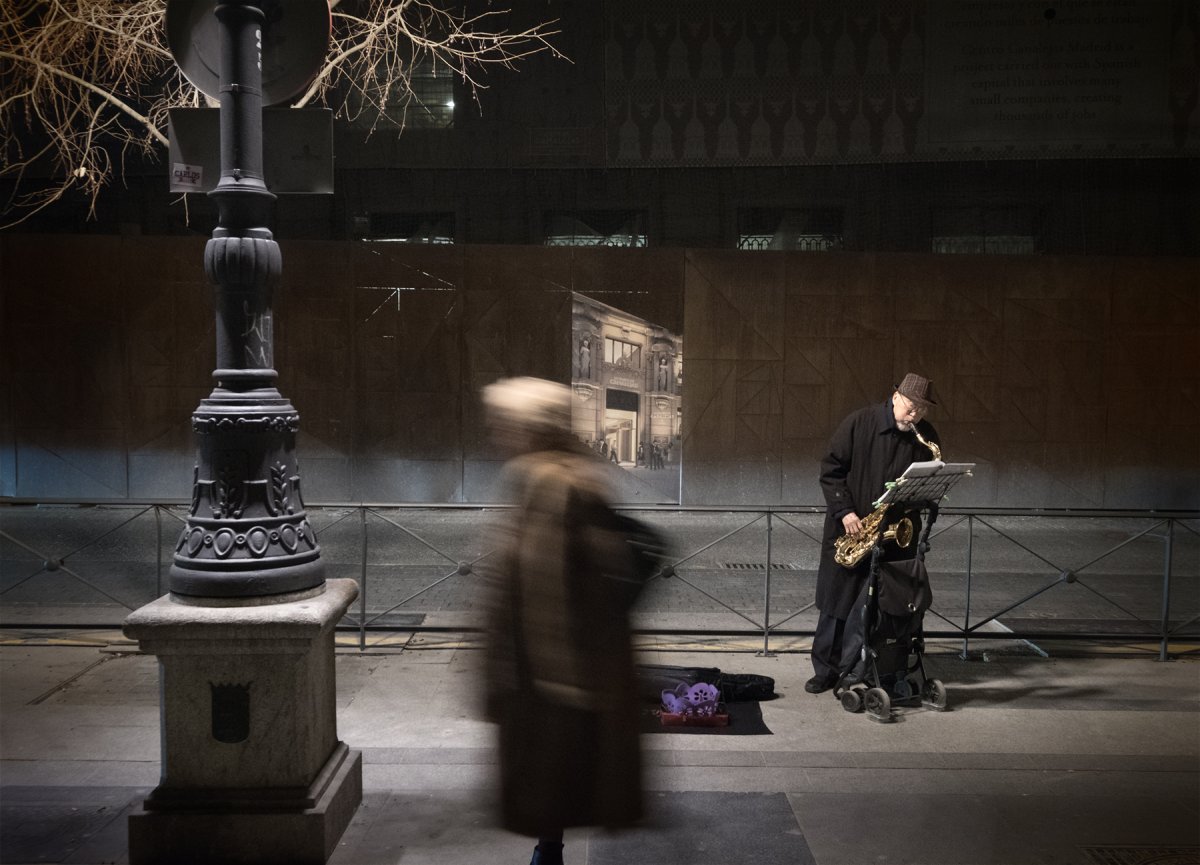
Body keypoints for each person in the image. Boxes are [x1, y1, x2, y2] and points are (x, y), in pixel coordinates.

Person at [479, 377, 643, 865]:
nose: (496, 434)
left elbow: (542, 589)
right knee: (559, 783)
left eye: (503, 424)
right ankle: (549, 848)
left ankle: (548, 853)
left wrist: (546, 679)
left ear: (530, 428)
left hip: (549, 677)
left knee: (552, 777)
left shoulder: (551, 482)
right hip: (559, 673)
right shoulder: (563, 474)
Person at [807, 373, 942, 694]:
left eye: (921, 411)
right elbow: (831, 470)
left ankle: (869, 669)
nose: (915, 416)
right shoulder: (860, 422)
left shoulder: (925, 435)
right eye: (911, 407)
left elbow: (927, 484)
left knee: (884, 606)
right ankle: (826, 670)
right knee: (839, 603)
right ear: (895, 396)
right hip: (853, 528)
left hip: (896, 536)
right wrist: (846, 512)